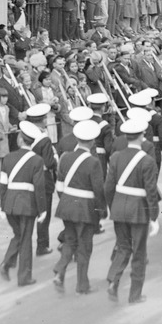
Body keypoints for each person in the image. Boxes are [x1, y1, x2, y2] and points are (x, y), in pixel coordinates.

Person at [105, 118, 160, 304]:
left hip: (119, 208)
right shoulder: (148, 161)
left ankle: (113, 280)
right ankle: (135, 295)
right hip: (138, 210)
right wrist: (154, 216)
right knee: (138, 252)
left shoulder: (116, 157)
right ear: (142, 136)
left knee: (123, 247)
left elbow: (108, 187)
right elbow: (151, 192)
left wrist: (113, 205)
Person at [52, 119, 107, 295]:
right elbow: (98, 191)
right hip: (85, 209)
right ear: (91, 141)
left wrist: (68, 201)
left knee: (70, 240)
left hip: (67, 205)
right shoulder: (93, 162)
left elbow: (59, 186)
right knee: (84, 247)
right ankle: (82, 285)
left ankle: (60, 268)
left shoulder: (66, 157)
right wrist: (102, 211)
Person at [0, 121, 48, 287]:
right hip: (27, 205)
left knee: (19, 235)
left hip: (10, 203)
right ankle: (23, 277)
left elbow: (3, 184)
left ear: (20, 139)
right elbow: (39, 187)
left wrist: (2, 206)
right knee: (26, 239)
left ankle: (7, 262)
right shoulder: (37, 160)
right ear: (32, 141)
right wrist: (42, 210)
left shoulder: (8, 157)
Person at [24, 102, 59, 257]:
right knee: (44, 212)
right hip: (43, 178)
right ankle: (42, 245)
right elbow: (49, 162)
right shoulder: (43, 139)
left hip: (28, 177)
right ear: (43, 120)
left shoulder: (26, 136)